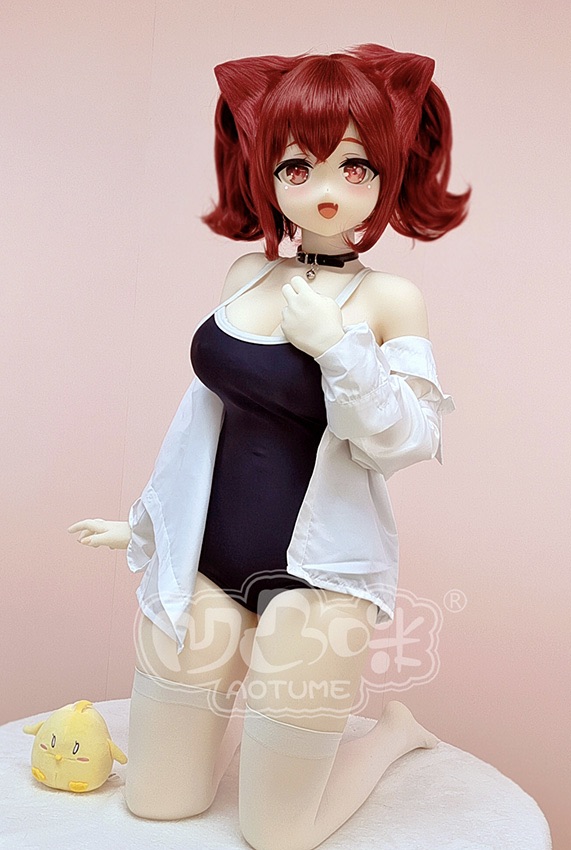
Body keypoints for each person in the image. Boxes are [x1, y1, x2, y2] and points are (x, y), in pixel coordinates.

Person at [69, 44, 469, 850]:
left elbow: (406, 441)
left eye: (354, 167)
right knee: (158, 803)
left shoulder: (391, 298)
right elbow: (202, 422)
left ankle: (392, 733)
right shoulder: (246, 276)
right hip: (206, 565)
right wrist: (144, 523)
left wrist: (338, 348)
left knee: (279, 834)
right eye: (296, 166)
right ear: (268, 173)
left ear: (389, 171)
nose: (325, 190)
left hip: (319, 583)